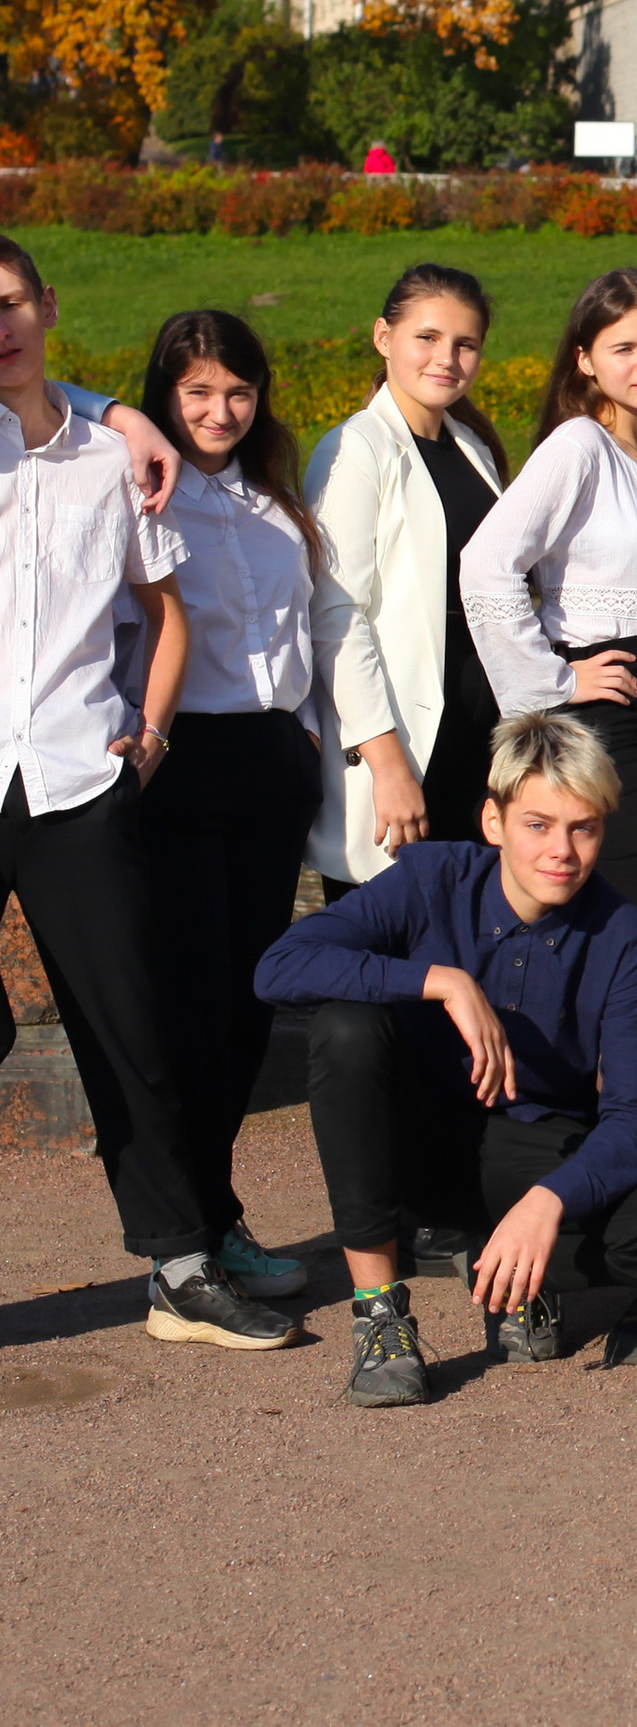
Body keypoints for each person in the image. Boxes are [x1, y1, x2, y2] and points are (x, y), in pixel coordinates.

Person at [0, 240, 292, 1351]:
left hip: (81, 773)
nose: (3, 323)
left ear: (48, 304)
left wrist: (153, 733)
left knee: (134, 1029)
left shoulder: (117, 463)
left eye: (16, 301)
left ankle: (177, 1268)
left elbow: (165, 610)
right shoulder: (115, 429)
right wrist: (118, 402)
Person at [258, 712, 637, 1403]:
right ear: (493, 822)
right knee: (347, 1028)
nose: (560, 850)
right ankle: (380, 1312)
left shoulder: (624, 936)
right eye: (538, 824)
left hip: (530, 1146)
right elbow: (280, 967)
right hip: (412, 1141)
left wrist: (548, 1202)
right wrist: (440, 980)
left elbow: (635, 1119)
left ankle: (525, 1271)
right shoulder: (430, 878)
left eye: (582, 827)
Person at [131, 311, 327, 1306]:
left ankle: (219, 1210)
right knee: (191, 1009)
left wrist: (303, 731)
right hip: (184, 760)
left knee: (250, 1008)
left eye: (237, 391)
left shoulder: (273, 497)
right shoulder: (144, 490)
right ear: (165, 394)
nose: (219, 410)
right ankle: (192, 1232)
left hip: (271, 757)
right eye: (198, 391)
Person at [460, 268, 637, 918]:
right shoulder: (578, 447)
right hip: (603, 717)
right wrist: (556, 682)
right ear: (584, 360)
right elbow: (485, 565)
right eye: (624, 348)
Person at [306, 265, 510, 890]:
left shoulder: (473, 449)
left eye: (465, 344)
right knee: (389, 939)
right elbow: (337, 614)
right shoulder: (355, 450)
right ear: (382, 337)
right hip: (405, 737)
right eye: (427, 337)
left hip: (479, 733)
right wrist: (386, 760)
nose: (446, 358)